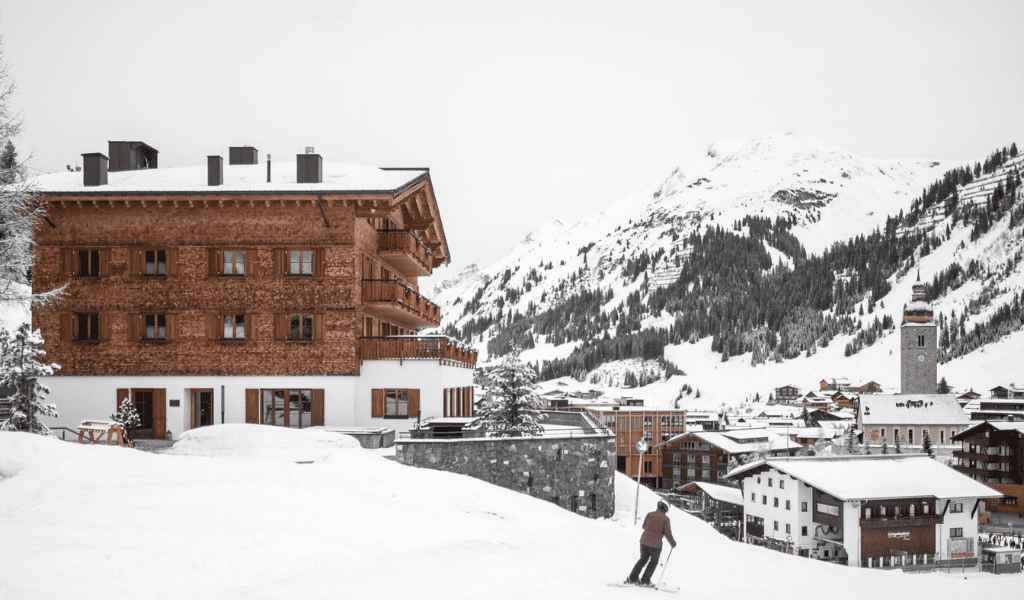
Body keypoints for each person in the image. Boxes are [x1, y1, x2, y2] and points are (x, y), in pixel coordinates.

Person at [626, 500, 676, 587]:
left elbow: (643, 526)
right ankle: (645, 581)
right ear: (666, 509)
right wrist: (672, 543)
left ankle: (632, 578)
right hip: (655, 545)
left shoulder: (649, 514)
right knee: (653, 562)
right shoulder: (665, 519)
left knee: (643, 559)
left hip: (643, 542)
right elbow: (668, 533)